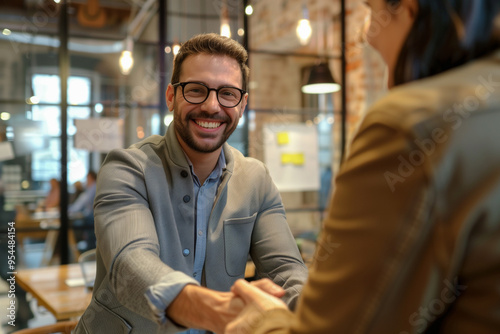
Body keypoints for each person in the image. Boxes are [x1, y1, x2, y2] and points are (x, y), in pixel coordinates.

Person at [226, 0, 500, 333]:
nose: (368, 34)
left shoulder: (408, 127)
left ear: (410, 9)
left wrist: (263, 319)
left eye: (373, 10)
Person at [74, 33, 307, 334]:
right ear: (171, 97)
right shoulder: (128, 168)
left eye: (227, 93)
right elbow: (131, 265)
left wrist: (307, 311)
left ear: (242, 104)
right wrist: (221, 312)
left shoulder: (256, 179)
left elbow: (286, 270)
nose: (212, 106)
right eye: (196, 90)